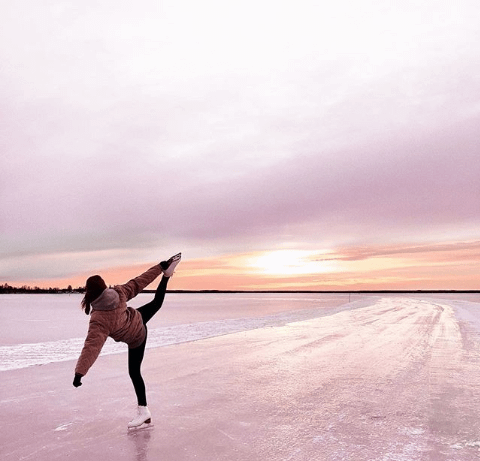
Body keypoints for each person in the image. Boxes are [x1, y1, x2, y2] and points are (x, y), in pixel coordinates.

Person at [73, 253, 181, 428]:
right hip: (137, 316)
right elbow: (139, 282)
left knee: (134, 372)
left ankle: (144, 412)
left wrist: (80, 373)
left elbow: (92, 346)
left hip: (137, 336)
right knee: (156, 303)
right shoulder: (118, 292)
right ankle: (166, 276)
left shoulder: (99, 319)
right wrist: (159, 268)